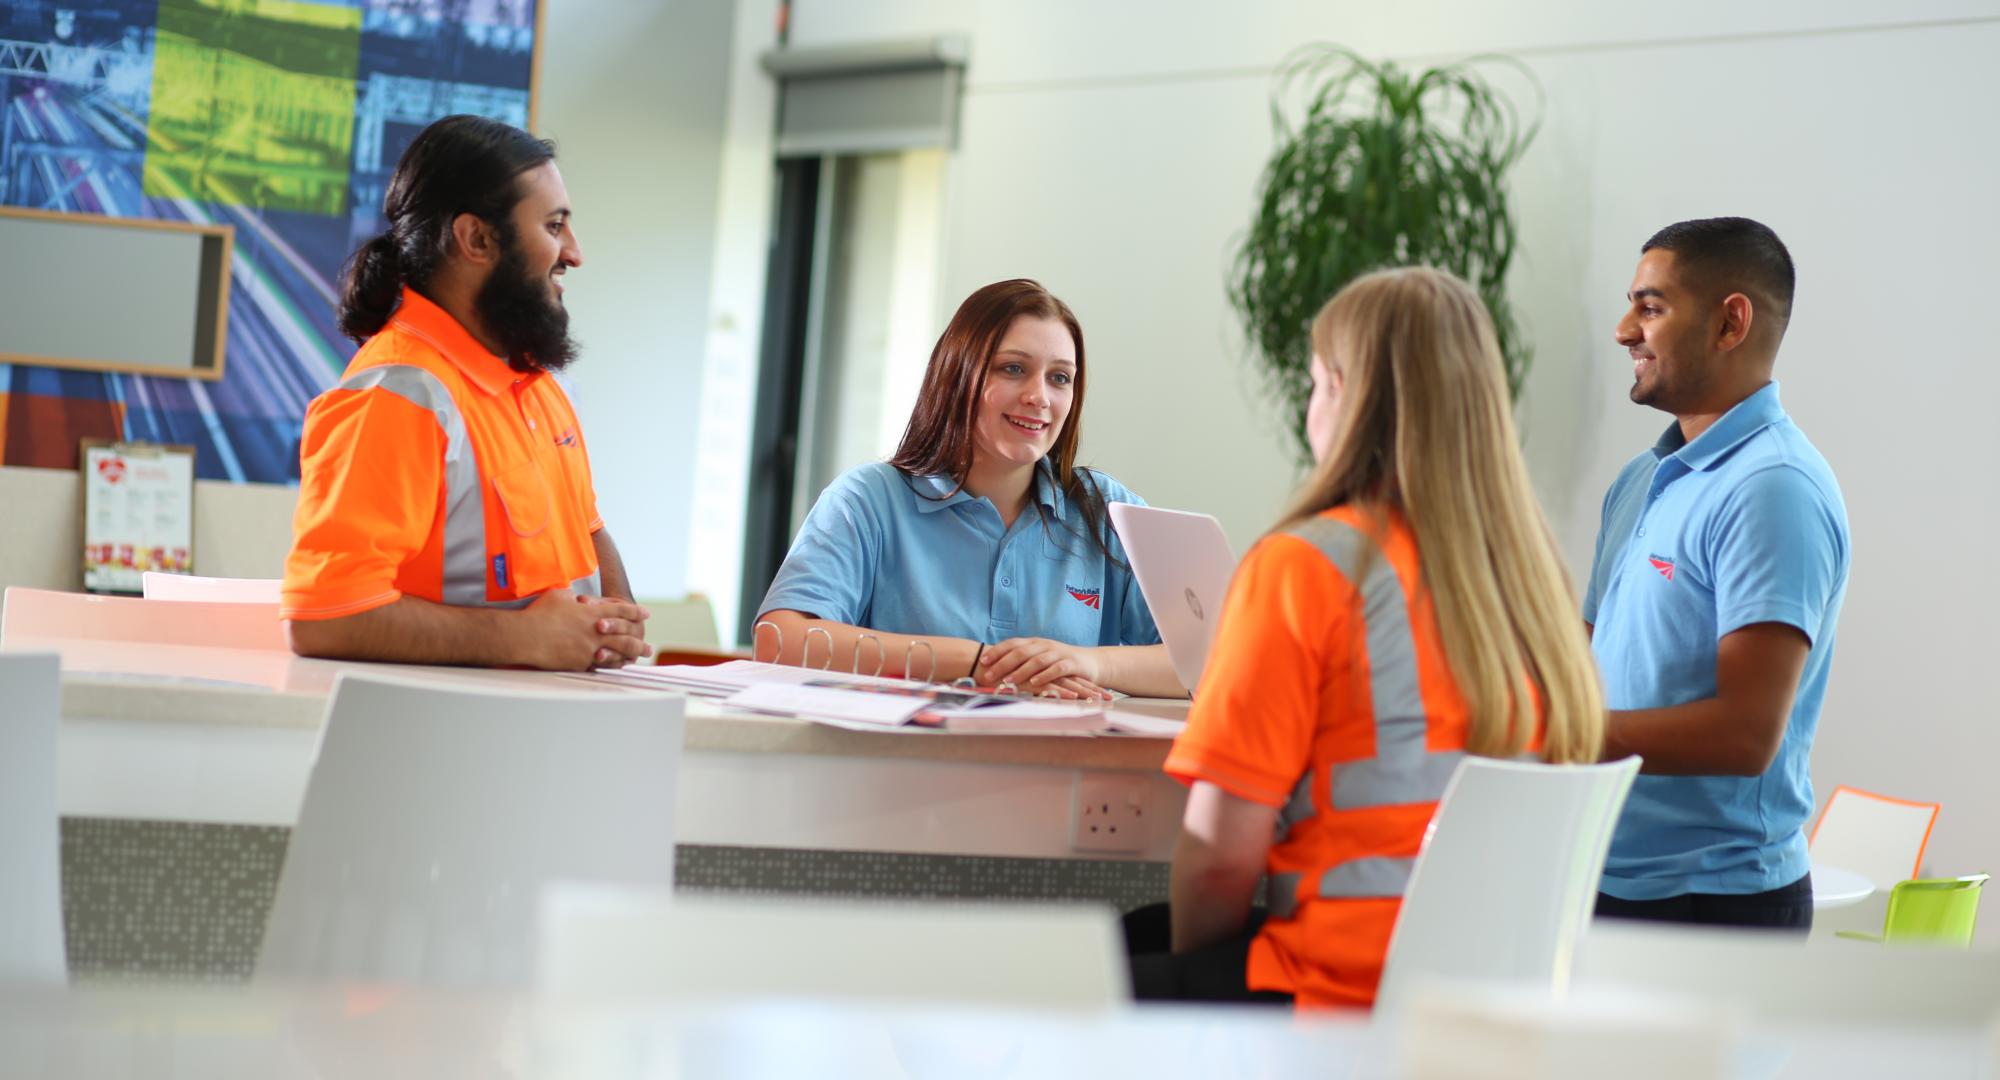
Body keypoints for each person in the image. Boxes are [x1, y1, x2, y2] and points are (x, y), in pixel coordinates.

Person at [1130, 267, 1605, 1008]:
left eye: (1318, 382)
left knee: (1096, 967)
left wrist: (1201, 1012)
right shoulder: (1530, 582)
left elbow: (1219, 860)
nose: (1312, 405)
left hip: (1346, 996)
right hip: (1494, 998)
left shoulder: (1307, 565)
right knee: (1141, 937)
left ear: (1349, 396)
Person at [281, 115, 651, 671]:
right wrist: (523, 639)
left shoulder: (540, 385)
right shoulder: (398, 393)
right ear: (476, 238)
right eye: (553, 227)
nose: (574, 252)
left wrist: (612, 631)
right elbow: (324, 616)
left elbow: (588, 529)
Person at [1585, 217, 1850, 931]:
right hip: (1600, 879)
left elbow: (1745, 733)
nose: (1622, 331)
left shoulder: (1775, 487)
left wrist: (1559, 731)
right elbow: (1582, 662)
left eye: (1650, 307)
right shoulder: (1642, 479)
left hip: (1716, 902)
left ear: (1731, 322)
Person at [755, 279, 1180, 699]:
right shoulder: (867, 500)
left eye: (1060, 378)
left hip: (1061, 765)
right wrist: (980, 664)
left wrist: (1088, 662)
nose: (1039, 396)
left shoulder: (1107, 509)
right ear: (958, 375)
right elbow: (779, 640)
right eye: (1013, 369)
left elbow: (1213, 665)